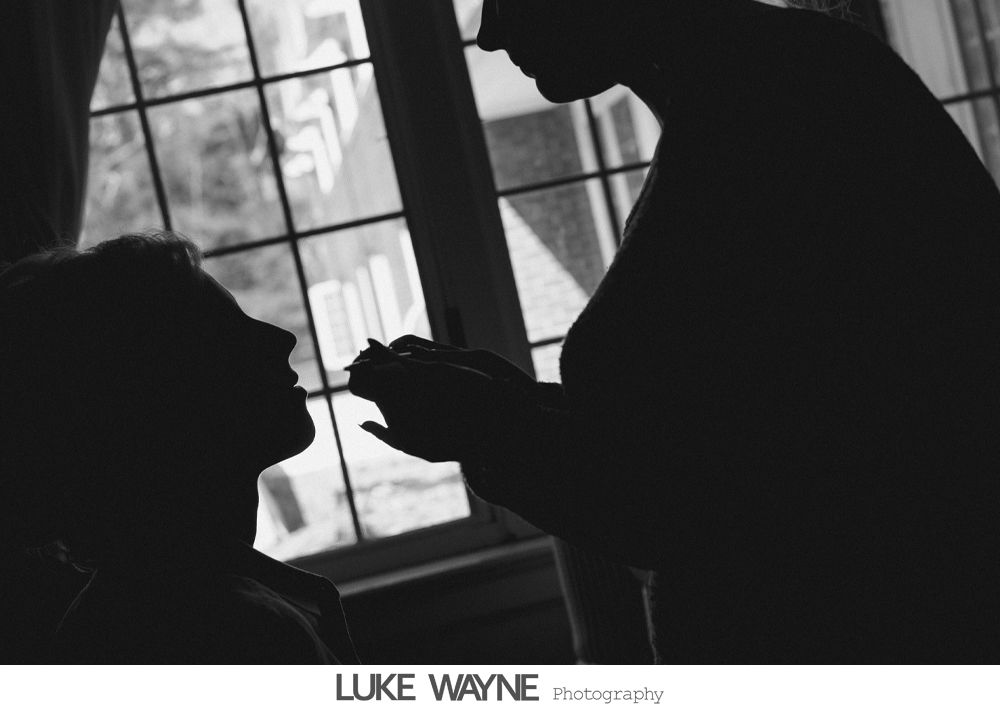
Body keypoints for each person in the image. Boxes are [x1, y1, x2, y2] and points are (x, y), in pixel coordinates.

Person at [349, 0, 1000, 662]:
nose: (488, 35)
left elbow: (724, 505)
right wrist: (513, 403)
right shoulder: (756, 93)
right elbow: (722, 429)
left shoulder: (778, 114)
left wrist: (492, 427)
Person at [0, 232, 359, 663]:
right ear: (159, 401)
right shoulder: (234, 631)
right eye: (230, 334)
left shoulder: (142, 610)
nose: (283, 338)